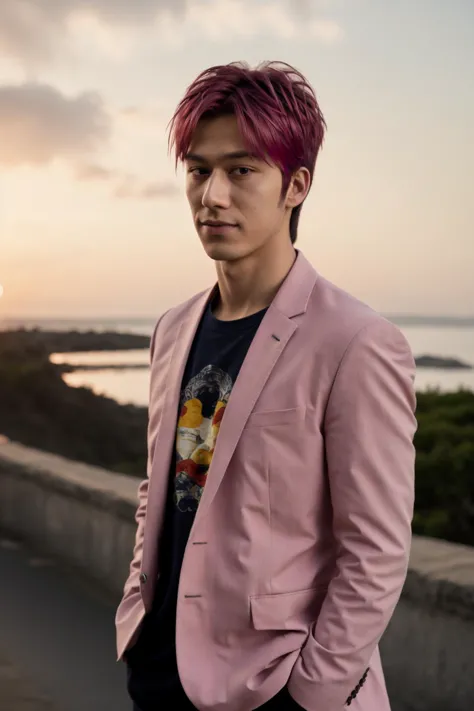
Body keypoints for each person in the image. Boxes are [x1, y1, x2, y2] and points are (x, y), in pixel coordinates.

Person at [115, 61, 417, 711]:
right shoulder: (172, 329)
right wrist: (137, 615)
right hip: (161, 672)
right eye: (198, 170)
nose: (212, 195)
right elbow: (162, 484)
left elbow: (376, 552)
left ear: (296, 186)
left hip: (275, 686)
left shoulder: (358, 342)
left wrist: (312, 692)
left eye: (242, 170)